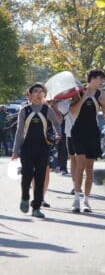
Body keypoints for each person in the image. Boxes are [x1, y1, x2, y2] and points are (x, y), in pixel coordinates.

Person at [12, 83, 61, 218]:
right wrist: (15, 150)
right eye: (36, 91)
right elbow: (19, 131)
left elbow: (57, 124)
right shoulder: (25, 110)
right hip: (27, 148)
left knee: (40, 179)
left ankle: (36, 208)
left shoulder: (47, 109)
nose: (39, 94)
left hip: (43, 148)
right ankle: (25, 197)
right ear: (30, 94)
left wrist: (58, 134)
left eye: (41, 91)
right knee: (27, 175)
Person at [71, 69, 105, 213]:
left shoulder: (102, 95)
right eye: (100, 79)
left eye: (103, 80)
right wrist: (83, 98)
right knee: (80, 164)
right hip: (78, 132)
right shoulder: (79, 92)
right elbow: (73, 112)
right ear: (92, 79)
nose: (102, 82)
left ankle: (86, 201)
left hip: (93, 133)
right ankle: (76, 199)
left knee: (89, 168)